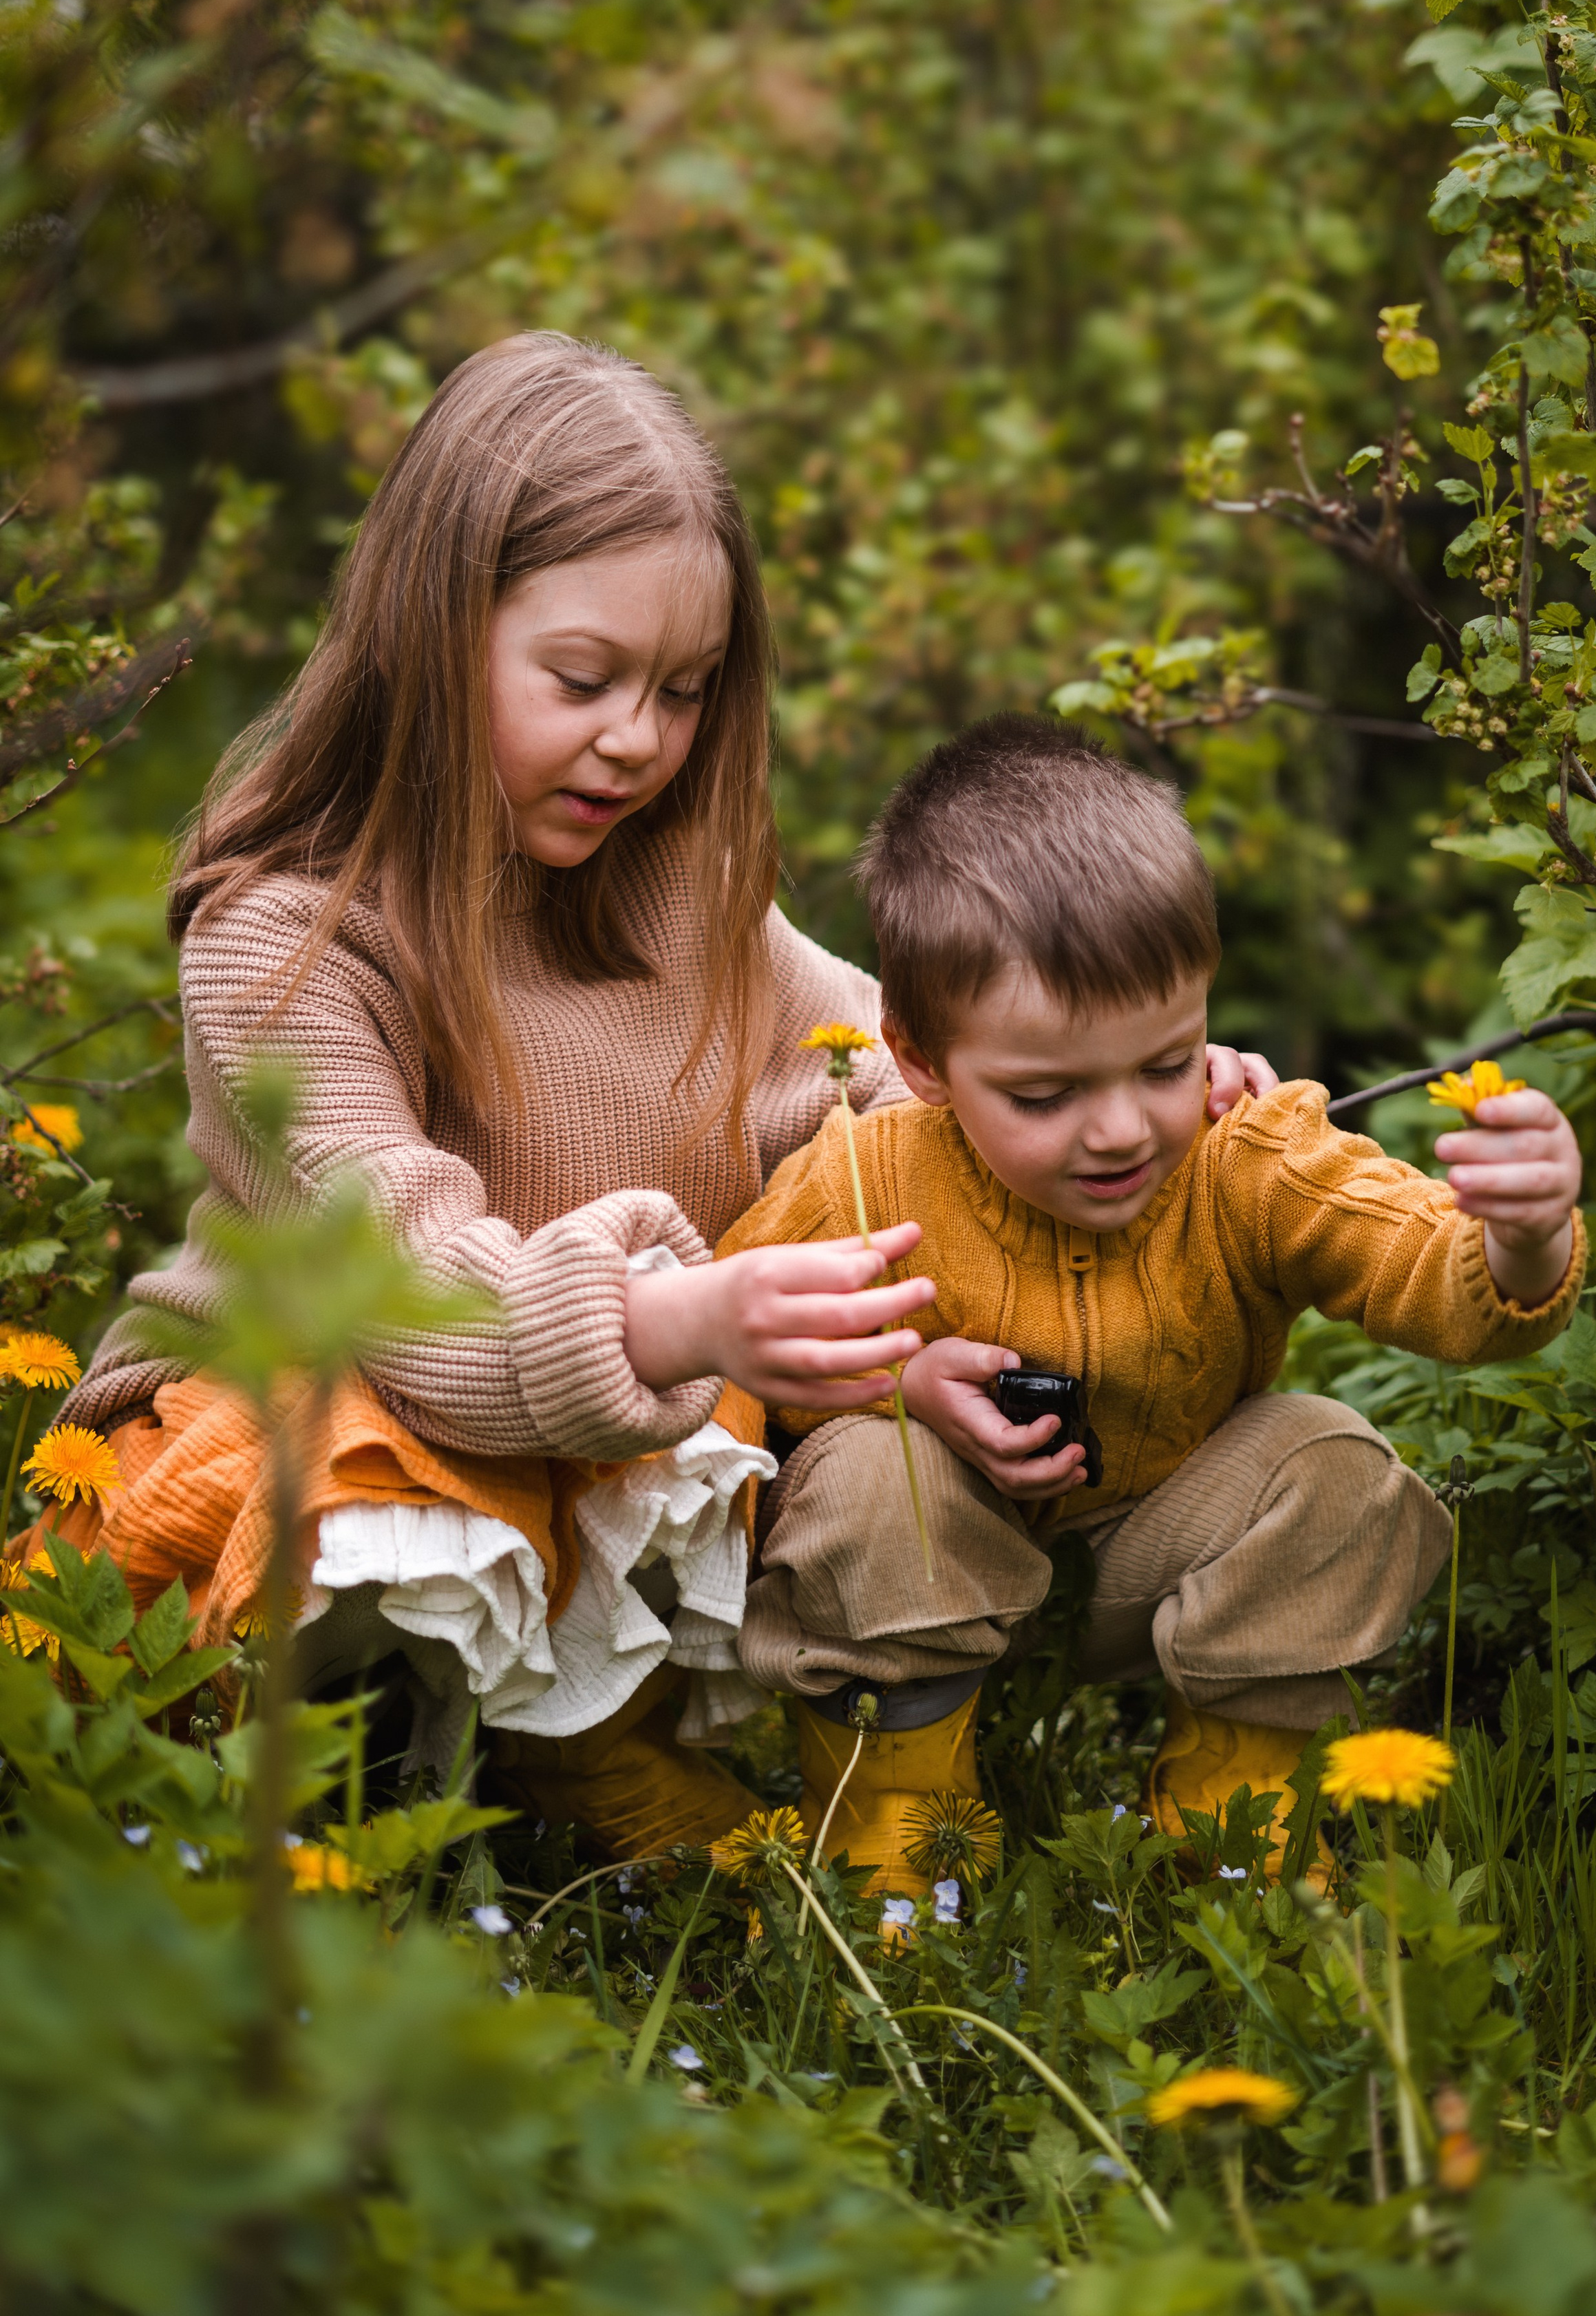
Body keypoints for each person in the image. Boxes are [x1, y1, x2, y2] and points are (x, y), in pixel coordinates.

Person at [36, 336, 1269, 1860]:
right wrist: (686, 1325)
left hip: (616, 1431)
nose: (636, 738)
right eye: (582, 679)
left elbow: (908, 1101)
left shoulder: (688, 901)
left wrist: (1119, 1105)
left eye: (682, 692)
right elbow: (404, 1282)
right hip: (363, 1396)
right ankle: (320, 1809)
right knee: (346, 1459)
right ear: (432, 629)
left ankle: (585, 1765)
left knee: (803, 1423)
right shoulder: (286, 942)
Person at [722, 714, 1586, 1888]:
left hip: (1156, 1561)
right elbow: (727, 1383)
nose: (1123, 1129)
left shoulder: (1243, 1151)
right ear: (921, 1060)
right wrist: (895, 1387)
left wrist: (1520, 1239)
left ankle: (1232, 1824)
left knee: (1332, 1458)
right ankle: (895, 1846)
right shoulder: (863, 1177)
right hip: (919, 1577)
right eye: (1045, 1093)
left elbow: (1426, 1273)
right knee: (874, 1475)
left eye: (1166, 1064)